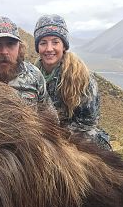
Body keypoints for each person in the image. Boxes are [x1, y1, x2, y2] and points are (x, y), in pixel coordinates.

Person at [33, 14, 111, 150]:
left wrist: (54, 136)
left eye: (55, 42)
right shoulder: (32, 74)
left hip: (76, 136)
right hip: (45, 133)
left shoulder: (81, 77)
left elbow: (86, 124)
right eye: (43, 43)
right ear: (38, 47)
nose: (49, 48)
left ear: (64, 46)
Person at [0, 16, 58, 118]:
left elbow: (51, 118)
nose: (4, 51)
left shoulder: (34, 75)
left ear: (19, 47)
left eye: (10, 44)